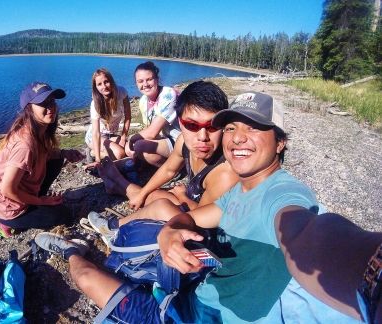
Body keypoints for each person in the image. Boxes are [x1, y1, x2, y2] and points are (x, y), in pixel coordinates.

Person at [34, 91, 382, 323]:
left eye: (255, 128)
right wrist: (171, 231)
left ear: (280, 143)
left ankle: (71, 250)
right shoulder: (246, 189)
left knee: (84, 277)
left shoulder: (284, 194)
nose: (237, 137)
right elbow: (196, 214)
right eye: (231, 127)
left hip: (194, 314)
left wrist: (373, 272)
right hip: (195, 284)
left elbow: (307, 232)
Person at [89, 81, 239, 244]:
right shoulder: (184, 142)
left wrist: (182, 196)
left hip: (206, 234)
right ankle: (118, 185)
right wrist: (143, 193)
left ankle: (113, 228)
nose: (202, 136)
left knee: (161, 205)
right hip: (194, 202)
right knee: (152, 194)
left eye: (212, 126)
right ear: (180, 122)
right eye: (192, 125)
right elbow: (169, 170)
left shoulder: (224, 172)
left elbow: (204, 219)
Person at [0, 82, 84, 237]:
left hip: (20, 192)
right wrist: (42, 202)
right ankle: (2, 223)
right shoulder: (25, 145)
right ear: (29, 109)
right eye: (43, 104)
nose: (51, 107)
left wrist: (65, 153)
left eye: (52, 101)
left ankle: (34, 199)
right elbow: (7, 189)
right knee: (64, 216)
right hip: (8, 208)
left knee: (57, 158)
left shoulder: (39, 130)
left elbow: (47, 153)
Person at [126, 61, 180, 167]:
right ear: (136, 83)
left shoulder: (168, 94)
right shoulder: (143, 101)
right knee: (132, 148)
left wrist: (132, 139)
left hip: (180, 139)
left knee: (139, 146)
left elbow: (152, 132)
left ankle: (175, 168)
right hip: (165, 139)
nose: (145, 84)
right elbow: (149, 128)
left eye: (149, 79)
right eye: (140, 81)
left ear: (157, 79)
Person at [84, 68, 131, 168]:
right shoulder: (95, 104)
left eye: (106, 82)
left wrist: (123, 137)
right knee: (119, 154)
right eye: (99, 84)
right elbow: (96, 133)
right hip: (95, 137)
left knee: (128, 149)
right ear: (95, 87)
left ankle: (104, 151)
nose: (104, 86)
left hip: (110, 134)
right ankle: (92, 153)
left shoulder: (121, 92)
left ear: (111, 81)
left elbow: (128, 116)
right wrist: (97, 159)